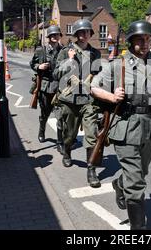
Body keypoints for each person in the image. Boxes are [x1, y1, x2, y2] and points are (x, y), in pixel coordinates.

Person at [91, 20, 151, 229]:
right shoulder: (119, 65)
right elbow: (93, 87)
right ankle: (138, 228)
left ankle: (119, 184)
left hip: (149, 128)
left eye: (148, 39)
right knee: (136, 184)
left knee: (140, 173)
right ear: (131, 41)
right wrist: (111, 96)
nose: (145, 43)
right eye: (140, 39)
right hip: (125, 127)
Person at [53, 19, 102, 188]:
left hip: (88, 100)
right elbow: (56, 73)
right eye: (80, 32)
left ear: (90, 34)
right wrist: (69, 60)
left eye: (87, 32)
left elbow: (98, 76)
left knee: (91, 136)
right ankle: (67, 151)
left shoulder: (95, 53)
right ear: (75, 34)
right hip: (69, 99)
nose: (84, 35)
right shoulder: (66, 51)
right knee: (70, 135)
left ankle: (91, 169)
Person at [29, 25, 64, 153]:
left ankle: (60, 142)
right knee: (44, 114)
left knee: (60, 116)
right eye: (52, 35)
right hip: (44, 87)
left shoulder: (64, 51)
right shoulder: (41, 50)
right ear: (49, 37)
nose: (55, 37)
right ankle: (41, 131)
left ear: (60, 36)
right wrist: (39, 66)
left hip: (59, 88)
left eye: (57, 35)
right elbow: (32, 64)